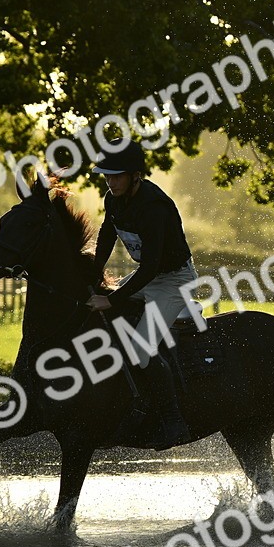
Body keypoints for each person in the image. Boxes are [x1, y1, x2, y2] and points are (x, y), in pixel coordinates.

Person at [86, 140, 197, 446]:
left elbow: (149, 268)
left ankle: (174, 421)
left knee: (139, 349)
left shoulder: (154, 208)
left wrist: (111, 298)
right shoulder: (114, 198)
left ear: (135, 175)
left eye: (117, 176)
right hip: (149, 276)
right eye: (107, 176)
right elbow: (107, 235)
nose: (111, 182)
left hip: (175, 280)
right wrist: (95, 273)